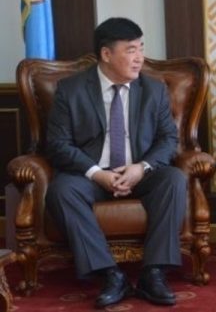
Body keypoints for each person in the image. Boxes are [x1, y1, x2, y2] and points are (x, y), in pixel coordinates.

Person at [45, 17, 187, 308]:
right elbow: (58, 145)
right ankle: (110, 274)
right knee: (61, 190)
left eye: (141, 48)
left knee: (173, 178)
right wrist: (97, 173)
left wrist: (141, 168)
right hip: (91, 176)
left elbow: (168, 139)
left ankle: (153, 273)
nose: (139, 58)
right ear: (106, 54)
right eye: (131, 50)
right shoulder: (71, 90)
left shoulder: (154, 89)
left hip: (140, 173)